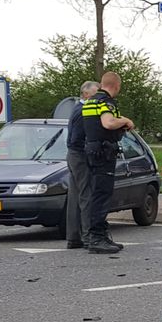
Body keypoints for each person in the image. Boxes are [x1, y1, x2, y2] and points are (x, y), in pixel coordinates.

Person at [82, 71, 134, 254]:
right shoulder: (106, 101)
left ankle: (97, 236)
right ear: (117, 86)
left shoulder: (90, 101)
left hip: (92, 151)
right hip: (104, 153)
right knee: (102, 196)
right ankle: (97, 238)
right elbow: (108, 123)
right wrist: (125, 120)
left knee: (97, 194)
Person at [65, 80, 98, 249]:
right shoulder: (83, 111)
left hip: (73, 155)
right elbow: (77, 138)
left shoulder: (76, 109)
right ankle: (88, 236)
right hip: (79, 155)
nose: (97, 98)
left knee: (75, 196)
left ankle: (73, 237)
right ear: (86, 94)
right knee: (86, 195)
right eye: (95, 94)